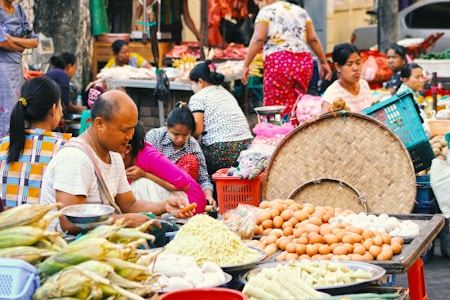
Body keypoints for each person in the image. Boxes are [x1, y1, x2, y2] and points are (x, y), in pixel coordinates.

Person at [40, 90, 193, 234]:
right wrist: (123, 221)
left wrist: (164, 206)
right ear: (100, 124)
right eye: (125, 130)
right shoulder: (75, 159)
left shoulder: (114, 156)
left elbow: (129, 205)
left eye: (133, 129)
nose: (130, 136)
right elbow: (69, 224)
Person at [241, 0, 331, 120]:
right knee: (298, 104)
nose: (257, 3)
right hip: (303, 62)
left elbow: (258, 39)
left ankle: (278, 136)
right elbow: (313, 39)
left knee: (276, 107)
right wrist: (323, 62)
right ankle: (297, 133)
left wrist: (246, 64)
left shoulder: (266, 12)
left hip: (279, 62)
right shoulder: (301, 12)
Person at [0, 76, 70, 209]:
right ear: (53, 109)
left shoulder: (3, 145)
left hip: (5, 227)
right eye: (60, 105)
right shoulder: (65, 150)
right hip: (44, 228)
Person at [123, 121, 207, 213]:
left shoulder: (149, 156)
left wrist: (144, 174)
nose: (179, 139)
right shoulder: (154, 136)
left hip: (190, 202)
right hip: (171, 198)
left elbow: (184, 185)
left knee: (140, 185)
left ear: (128, 148)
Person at [189, 60, 253, 175]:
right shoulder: (225, 93)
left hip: (221, 152)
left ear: (200, 82)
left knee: (189, 155)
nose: (192, 87)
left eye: (192, 84)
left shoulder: (198, 97)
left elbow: (197, 131)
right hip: (246, 148)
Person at [146, 102, 216, 207]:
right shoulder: (154, 137)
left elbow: (203, 179)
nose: (180, 139)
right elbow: (144, 164)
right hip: (153, 186)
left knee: (191, 161)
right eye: (175, 134)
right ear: (167, 126)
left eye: (185, 135)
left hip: (180, 194)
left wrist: (208, 196)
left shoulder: (193, 146)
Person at [0, 0, 39, 137]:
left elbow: (34, 41)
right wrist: (22, 46)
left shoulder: (19, 10)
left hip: (16, 69)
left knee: (18, 110)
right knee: (5, 112)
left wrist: (13, 41)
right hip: (2, 69)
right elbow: (3, 41)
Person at [321, 43, 374, 113]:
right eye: (350, 64)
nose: (355, 68)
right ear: (338, 67)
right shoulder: (331, 95)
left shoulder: (364, 85)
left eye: (358, 63)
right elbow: (325, 123)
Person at [135, 0, 200, 44]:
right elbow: (141, 7)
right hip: (161, 28)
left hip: (176, 29)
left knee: (174, 54)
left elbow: (186, 16)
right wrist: (137, 22)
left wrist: (196, 33)